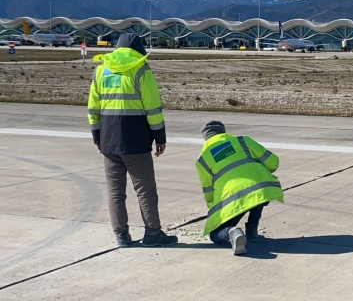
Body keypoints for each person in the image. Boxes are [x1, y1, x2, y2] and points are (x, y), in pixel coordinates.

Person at [87, 33, 177, 248]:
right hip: (135, 140)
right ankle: (153, 233)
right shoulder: (141, 70)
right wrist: (160, 138)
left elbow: (93, 108)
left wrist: (97, 136)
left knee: (115, 192)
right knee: (145, 190)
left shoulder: (101, 70)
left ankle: (121, 235)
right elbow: (153, 109)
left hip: (108, 139)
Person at [195, 121, 284, 255]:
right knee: (257, 193)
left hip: (232, 199)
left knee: (215, 234)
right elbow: (273, 162)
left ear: (206, 138)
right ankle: (252, 231)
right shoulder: (243, 141)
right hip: (261, 188)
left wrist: (214, 210)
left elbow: (208, 190)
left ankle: (232, 232)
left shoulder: (202, 160)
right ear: (223, 132)